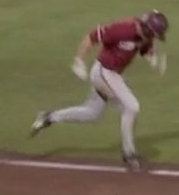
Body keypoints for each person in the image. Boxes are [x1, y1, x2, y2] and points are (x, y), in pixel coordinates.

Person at [30, 10, 170, 172]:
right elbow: (91, 37)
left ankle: (49, 117)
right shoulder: (122, 30)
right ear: (147, 29)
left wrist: (152, 57)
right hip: (102, 72)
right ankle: (129, 153)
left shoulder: (145, 36)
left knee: (92, 113)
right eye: (154, 34)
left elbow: (144, 48)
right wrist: (79, 60)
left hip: (113, 75)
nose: (155, 37)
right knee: (131, 106)